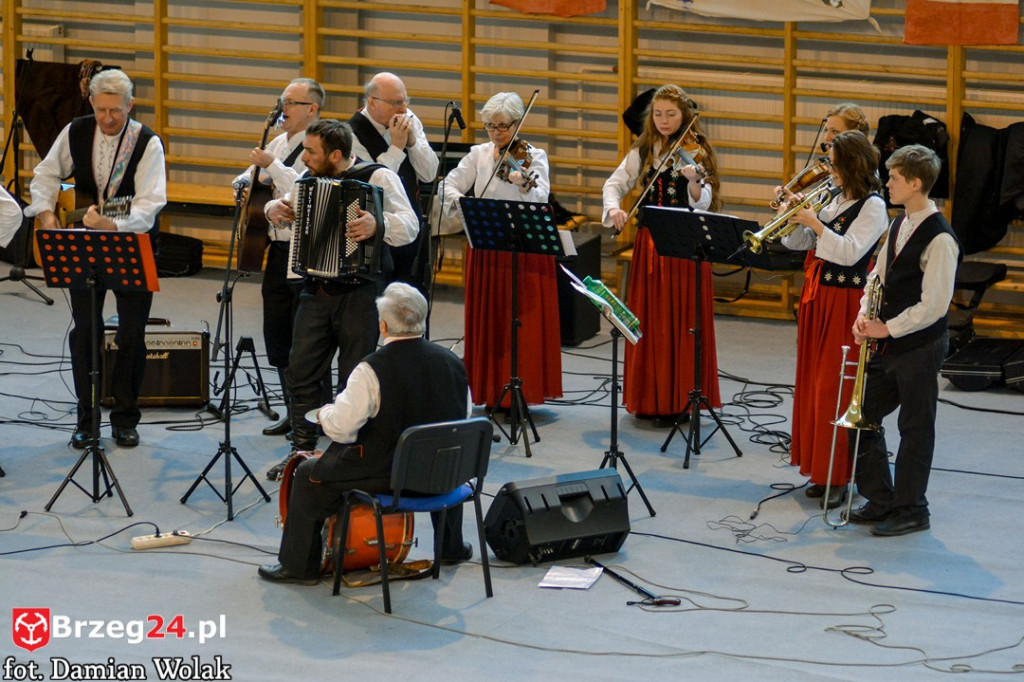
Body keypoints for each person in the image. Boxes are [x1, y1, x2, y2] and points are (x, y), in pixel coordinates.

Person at [258, 282, 473, 585]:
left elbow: (343, 430)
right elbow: (461, 422)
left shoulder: (371, 369)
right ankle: (451, 547)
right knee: (441, 451)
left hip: (391, 479)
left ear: (383, 325)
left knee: (308, 474)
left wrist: (323, 414)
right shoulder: (453, 363)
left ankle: (298, 568)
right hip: (445, 476)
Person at [264, 119, 419, 479]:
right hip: (315, 290)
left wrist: (377, 225)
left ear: (335, 154)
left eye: (310, 151)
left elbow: (411, 225)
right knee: (302, 371)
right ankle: (302, 452)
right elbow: (277, 208)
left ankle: (349, 455)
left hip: (361, 294)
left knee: (355, 376)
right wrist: (275, 210)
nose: (303, 157)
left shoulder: (378, 177)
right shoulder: (306, 182)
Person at [25, 69, 167, 449]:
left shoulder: (148, 143)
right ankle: (87, 420)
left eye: (116, 111)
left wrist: (113, 225)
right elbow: (46, 174)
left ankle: (124, 418)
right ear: (91, 103)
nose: (107, 118)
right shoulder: (76, 130)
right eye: (101, 109)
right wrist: (45, 212)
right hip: (85, 245)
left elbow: (151, 203)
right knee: (85, 332)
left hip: (132, 243)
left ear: (130, 105)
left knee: (131, 334)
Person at [845, 144, 961, 536]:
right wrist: (865, 314)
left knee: (915, 429)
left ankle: (913, 509)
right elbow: (876, 277)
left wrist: (887, 328)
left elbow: (935, 305)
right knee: (861, 419)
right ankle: (880, 499)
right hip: (890, 343)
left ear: (915, 183)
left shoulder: (940, 239)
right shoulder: (898, 223)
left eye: (893, 178)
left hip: (919, 346)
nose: (886, 183)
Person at [780, 130, 887, 509]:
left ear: (852, 165)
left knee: (834, 388)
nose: (829, 170)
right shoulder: (836, 196)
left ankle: (841, 475)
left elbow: (849, 253)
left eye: (835, 163)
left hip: (845, 302)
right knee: (812, 382)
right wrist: (793, 217)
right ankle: (820, 468)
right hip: (819, 298)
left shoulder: (873, 206)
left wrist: (815, 223)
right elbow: (796, 245)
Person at [602, 84, 721, 422]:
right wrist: (614, 210)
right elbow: (614, 184)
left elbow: (704, 201)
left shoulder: (697, 151)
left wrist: (694, 182)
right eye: (658, 114)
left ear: (684, 114)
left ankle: (680, 398)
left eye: (671, 113)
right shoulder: (644, 148)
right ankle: (650, 397)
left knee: (683, 321)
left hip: (684, 244)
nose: (665, 120)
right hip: (650, 243)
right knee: (651, 319)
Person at [437, 91, 562, 410]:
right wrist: (462, 204)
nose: (496, 133)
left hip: (524, 249)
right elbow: (448, 184)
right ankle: (490, 387)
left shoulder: (535, 156)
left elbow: (541, 199)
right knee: (490, 318)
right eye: (490, 126)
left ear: (518, 123)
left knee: (522, 319)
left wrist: (524, 185)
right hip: (487, 245)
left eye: (503, 126)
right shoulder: (479, 154)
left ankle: (524, 388)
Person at [232, 78, 324, 438]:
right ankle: (292, 409)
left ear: (311, 109)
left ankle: (313, 416)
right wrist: (242, 185)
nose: (282, 108)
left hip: (305, 253)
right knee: (278, 335)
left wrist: (273, 165)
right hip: (276, 250)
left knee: (306, 340)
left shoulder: (319, 144)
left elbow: (304, 188)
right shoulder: (279, 141)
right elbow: (249, 177)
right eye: (282, 101)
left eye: (290, 102)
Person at [348, 72, 438, 293]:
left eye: (406, 100)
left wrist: (414, 142)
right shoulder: (352, 134)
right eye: (396, 103)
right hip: (376, 230)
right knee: (382, 298)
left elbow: (429, 174)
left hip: (411, 222)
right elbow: (374, 186)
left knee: (414, 295)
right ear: (372, 102)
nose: (403, 109)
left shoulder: (410, 119)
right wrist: (396, 149)